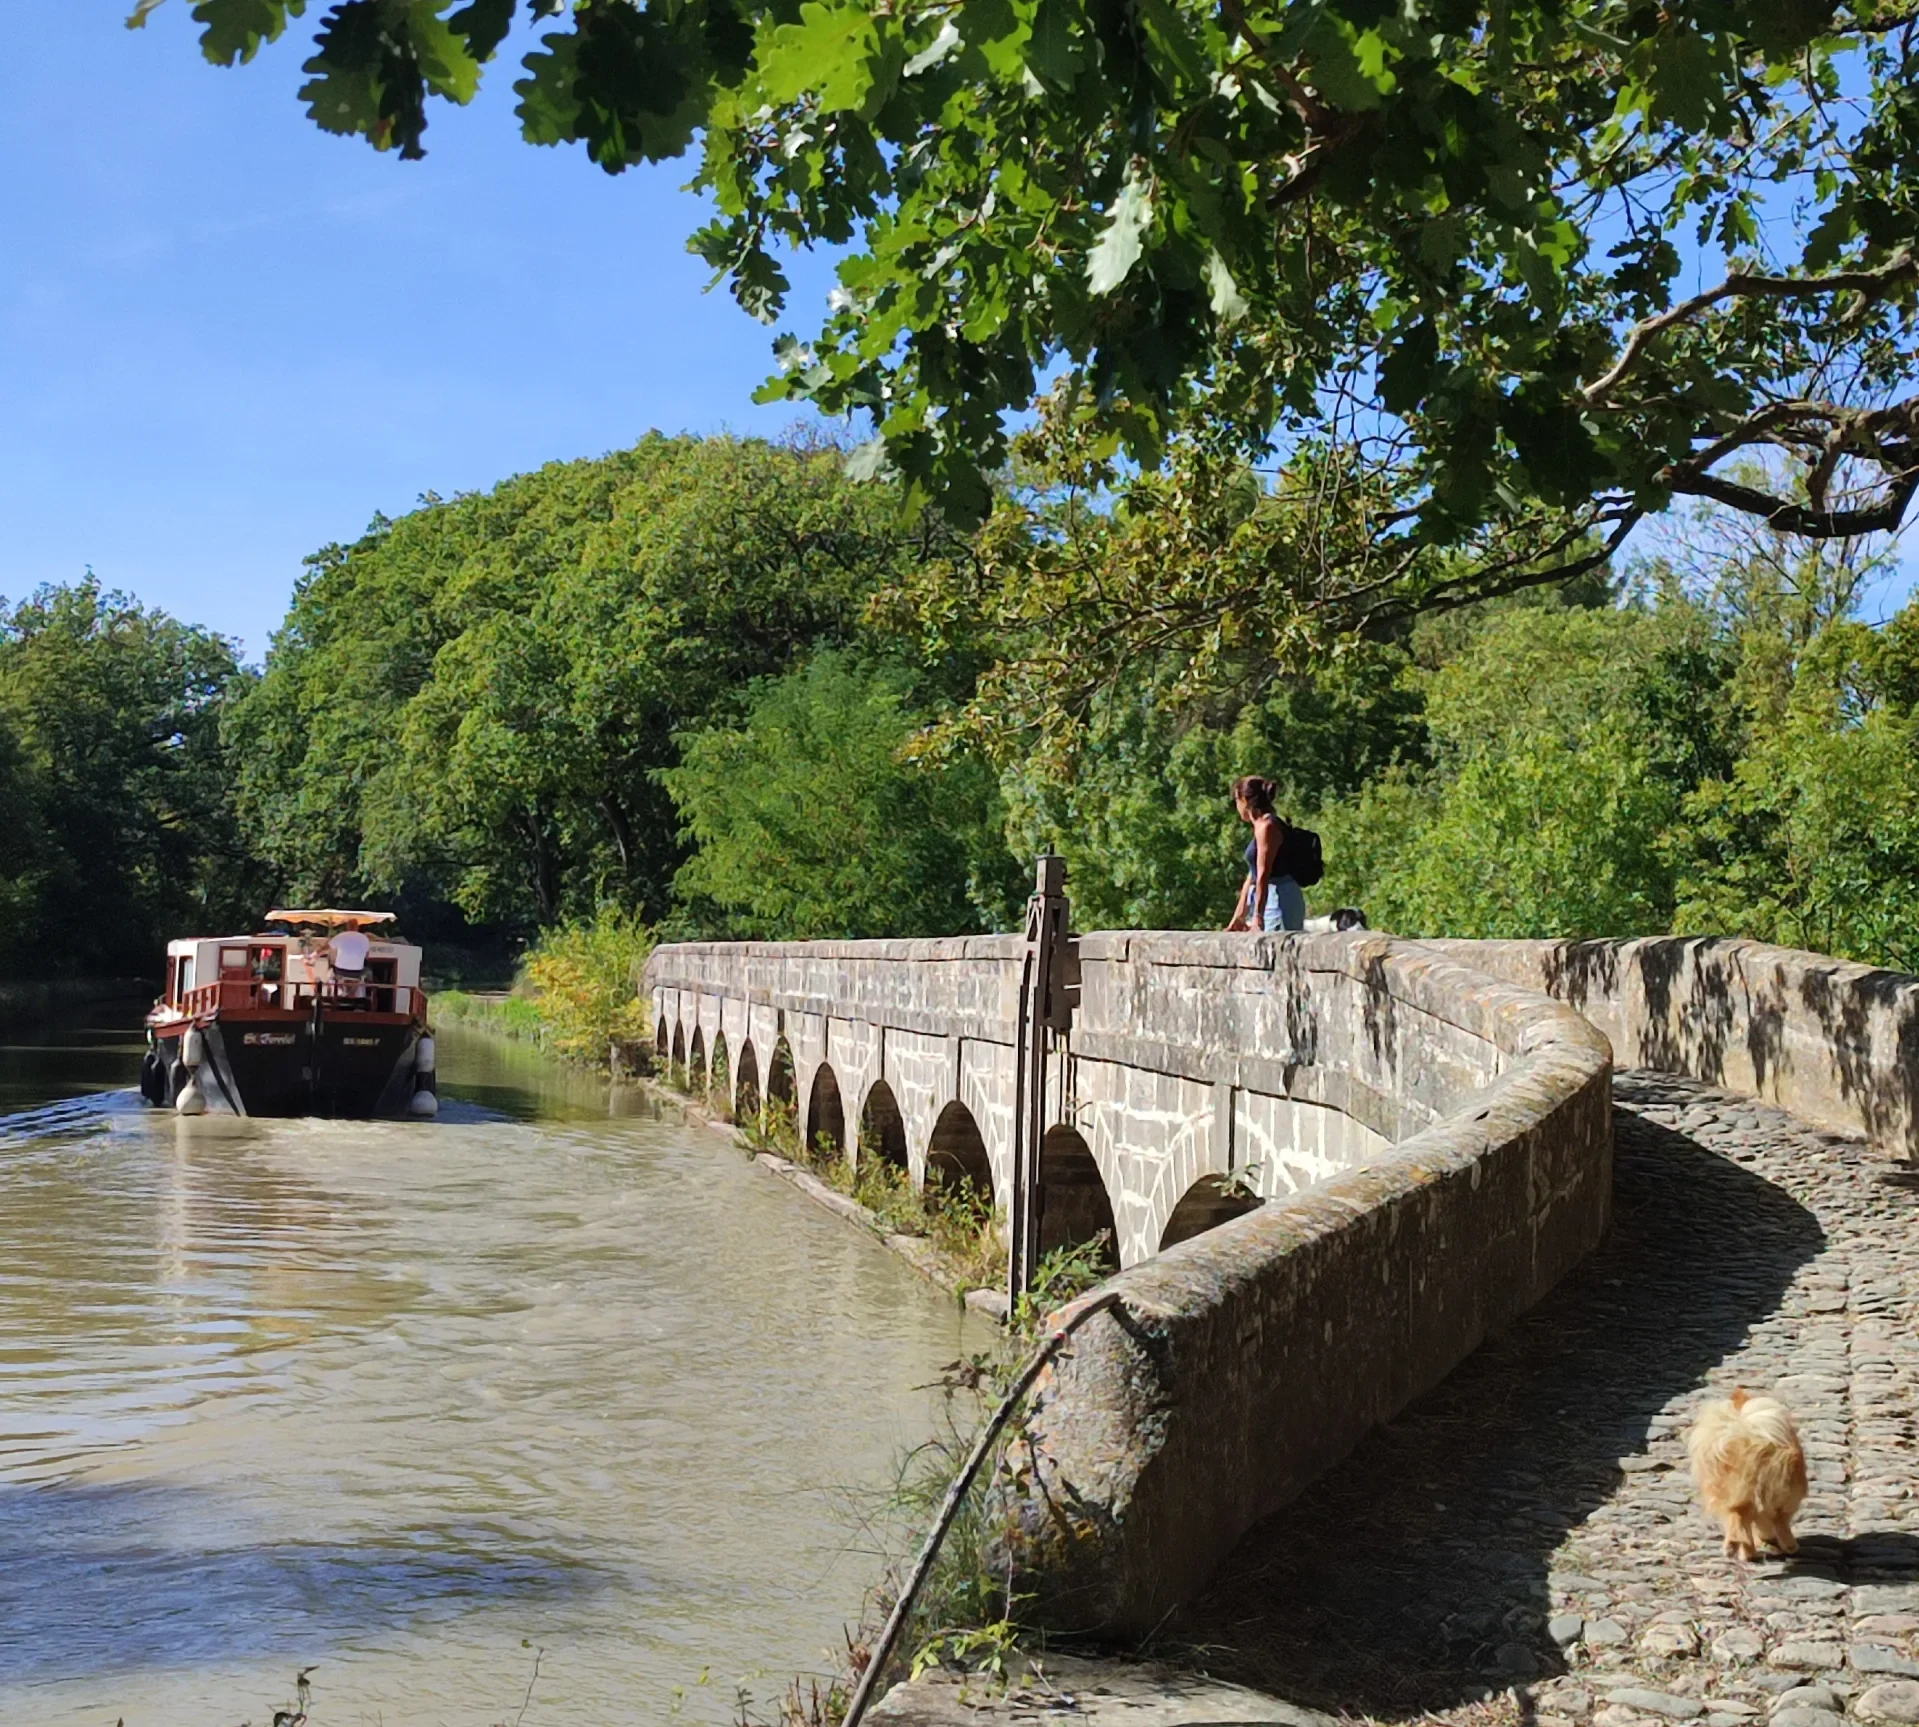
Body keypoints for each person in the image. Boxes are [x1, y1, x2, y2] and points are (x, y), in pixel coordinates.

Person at [1225, 775, 1306, 932]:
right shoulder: (1260, 826)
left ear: (1245, 801)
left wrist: (1258, 916)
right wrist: (1239, 916)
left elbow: (1263, 873)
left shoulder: (1267, 827)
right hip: (1267, 899)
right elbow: (1252, 875)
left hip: (1278, 899)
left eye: (1236, 800)